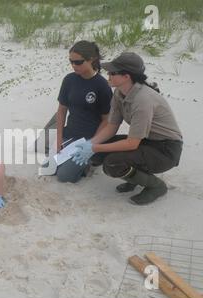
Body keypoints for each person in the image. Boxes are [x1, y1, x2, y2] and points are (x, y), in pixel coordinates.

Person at [72, 52, 183, 205]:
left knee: (112, 163)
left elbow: (132, 144)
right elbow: (112, 126)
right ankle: (135, 177)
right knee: (98, 154)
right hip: (147, 141)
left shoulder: (143, 100)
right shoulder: (119, 92)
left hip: (166, 149)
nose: (108, 75)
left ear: (127, 76)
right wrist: (91, 144)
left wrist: (95, 147)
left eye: (113, 72)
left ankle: (156, 186)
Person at [51, 40, 113, 183]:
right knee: (49, 167)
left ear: (91, 60)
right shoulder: (69, 80)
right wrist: (59, 137)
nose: (74, 65)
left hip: (87, 138)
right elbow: (61, 110)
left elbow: (106, 120)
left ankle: (90, 162)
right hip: (70, 133)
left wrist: (92, 145)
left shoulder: (102, 86)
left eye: (78, 62)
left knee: (64, 176)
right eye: (71, 61)